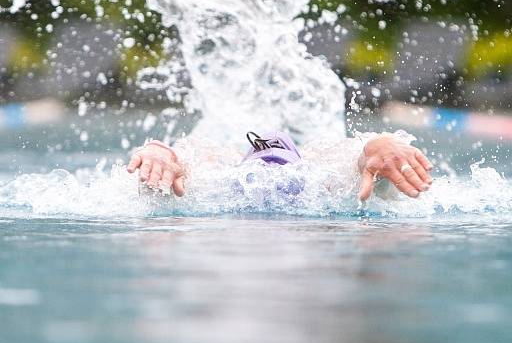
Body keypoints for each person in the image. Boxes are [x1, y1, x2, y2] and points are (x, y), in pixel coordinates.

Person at [127, 129, 433, 202]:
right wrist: (159, 156)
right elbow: (182, 160)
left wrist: (380, 145)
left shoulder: (323, 179)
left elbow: (361, 164)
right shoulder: (215, 176)